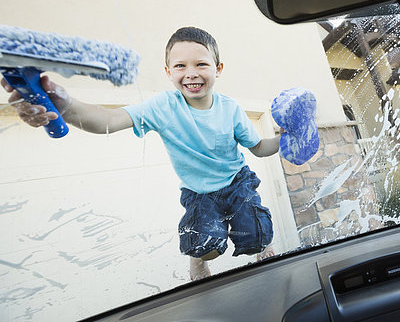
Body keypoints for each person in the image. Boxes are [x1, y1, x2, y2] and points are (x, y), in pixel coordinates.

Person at [2, 27, 281, 280]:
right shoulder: (163, 106)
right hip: (199, 193)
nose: (191, 72)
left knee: (257, 235)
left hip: (237, 183)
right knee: (203, 246)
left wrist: (282, 140)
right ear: (168, 71)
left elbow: (259, 148)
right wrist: (63, 105)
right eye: (180, 65)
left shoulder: (230, 109)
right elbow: (106, 121)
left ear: (218, 68)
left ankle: (261, 242)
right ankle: (198, 262)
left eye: (201, 64)